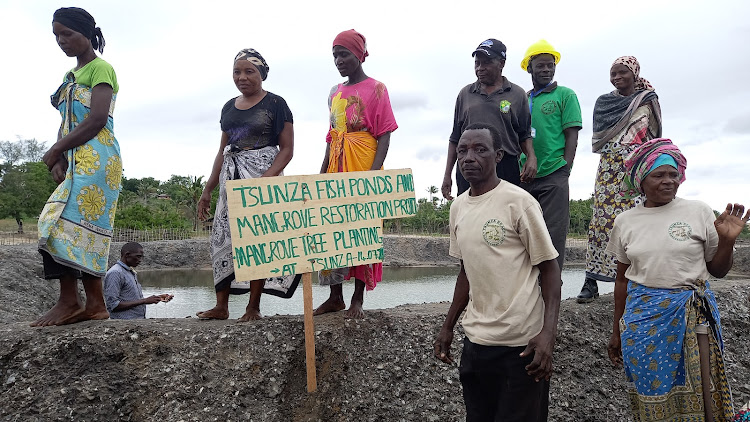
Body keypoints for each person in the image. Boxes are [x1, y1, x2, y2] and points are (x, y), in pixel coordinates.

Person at [607, 138, 743, 421]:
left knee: (702, 392)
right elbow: (621, 281)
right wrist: (617, 329)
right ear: (641, 180)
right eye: (659, 175)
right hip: (642, 322)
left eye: (673, 174)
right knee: (648, 392)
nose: (668, 181)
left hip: (694, 318)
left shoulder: (698, 211)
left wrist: (727, 243)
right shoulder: (625, 222)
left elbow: (717, 270)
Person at [434, 124, 561, 422]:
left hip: (522, 347)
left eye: (480, 149)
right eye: (462, 150)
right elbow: (466, 271)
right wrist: (448, 326)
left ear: (498, 155)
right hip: (477, 342)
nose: (468, 157)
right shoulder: (458, 208)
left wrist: (548, 336)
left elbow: (550, 270)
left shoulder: (519, 202)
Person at [33, 7, 121, 326]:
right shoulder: (69, 77)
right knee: (69, 228)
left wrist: (57, 149)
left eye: (67, 33)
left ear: (86, 33)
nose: (61, 40)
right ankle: (92, 304)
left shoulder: (102, 69)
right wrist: (59, 157)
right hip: (75, 158)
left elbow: (97, 119)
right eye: (56, 35)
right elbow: (67, 122)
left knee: (57, 223)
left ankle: (71, 302)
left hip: (99, 158)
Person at [196, 48, 295, 321]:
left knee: (257, 240)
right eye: (237, 72)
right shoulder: (228, 107)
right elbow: (222, 150)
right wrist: (208, 189)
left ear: (261, 74)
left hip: (263, 176)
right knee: (223, 236)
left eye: (249, 71)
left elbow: (287, 150)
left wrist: (264, 180)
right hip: (231, 178)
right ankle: (221, 306)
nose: (242, 77)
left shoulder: (276, 104)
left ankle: (253, 307)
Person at [313, 29, 398, 319]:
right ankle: (334, 296)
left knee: (364, 228)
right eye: (335, 55)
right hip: (337, 162)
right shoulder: (334, 93)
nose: (339, 60)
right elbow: (331, 135)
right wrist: (322, 172)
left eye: (344, 54)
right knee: (332, 229)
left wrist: (373, 175)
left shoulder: (377, 88)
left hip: (363, 160)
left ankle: (357, 299)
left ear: (360, 55)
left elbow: (385, 134)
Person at [577, 56, 662, 303]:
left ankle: (639, 281)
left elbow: (654, 136)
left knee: (637, 220)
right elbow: (599, 136)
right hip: (609, 166)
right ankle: (591, 281)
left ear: (634, 73)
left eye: (622, 72)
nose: (616, 78)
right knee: (601, 220)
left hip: (637, 167)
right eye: (613, 73)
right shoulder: (604, 102)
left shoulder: (648, 99)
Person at [441, 39, 535, 200]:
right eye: (477, 63)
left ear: (501, 63)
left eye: (486, 63)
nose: (480, 68)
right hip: (469, 165)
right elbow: (455, 138)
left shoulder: (517, 94)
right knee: (470, 214)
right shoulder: (465, 94)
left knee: (505, 215)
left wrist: (531, 157)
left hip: (505, 165)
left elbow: (524, 134)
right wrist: (447, 174)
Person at [519, 40, 582, 269]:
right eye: (541, 66)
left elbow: (571, 134)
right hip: (523, 176)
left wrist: (565, 168)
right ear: (529, 68)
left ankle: (553, 291)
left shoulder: (565, 95)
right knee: (524, 234)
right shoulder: (521, 99)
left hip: (554, 173)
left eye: (550, 65)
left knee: (553, 235)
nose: (546, 70)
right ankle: (529, 292)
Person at [103, 242, 173, 319]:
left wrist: (157, 298)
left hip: (136, 321)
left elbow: (131, 299)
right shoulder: (115, 273)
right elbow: (113, 305)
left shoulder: (130, 272)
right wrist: (144, 301)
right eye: (138, 256)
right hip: (124, 323)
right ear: (127, 255)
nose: (140, 260)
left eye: (141, 257)